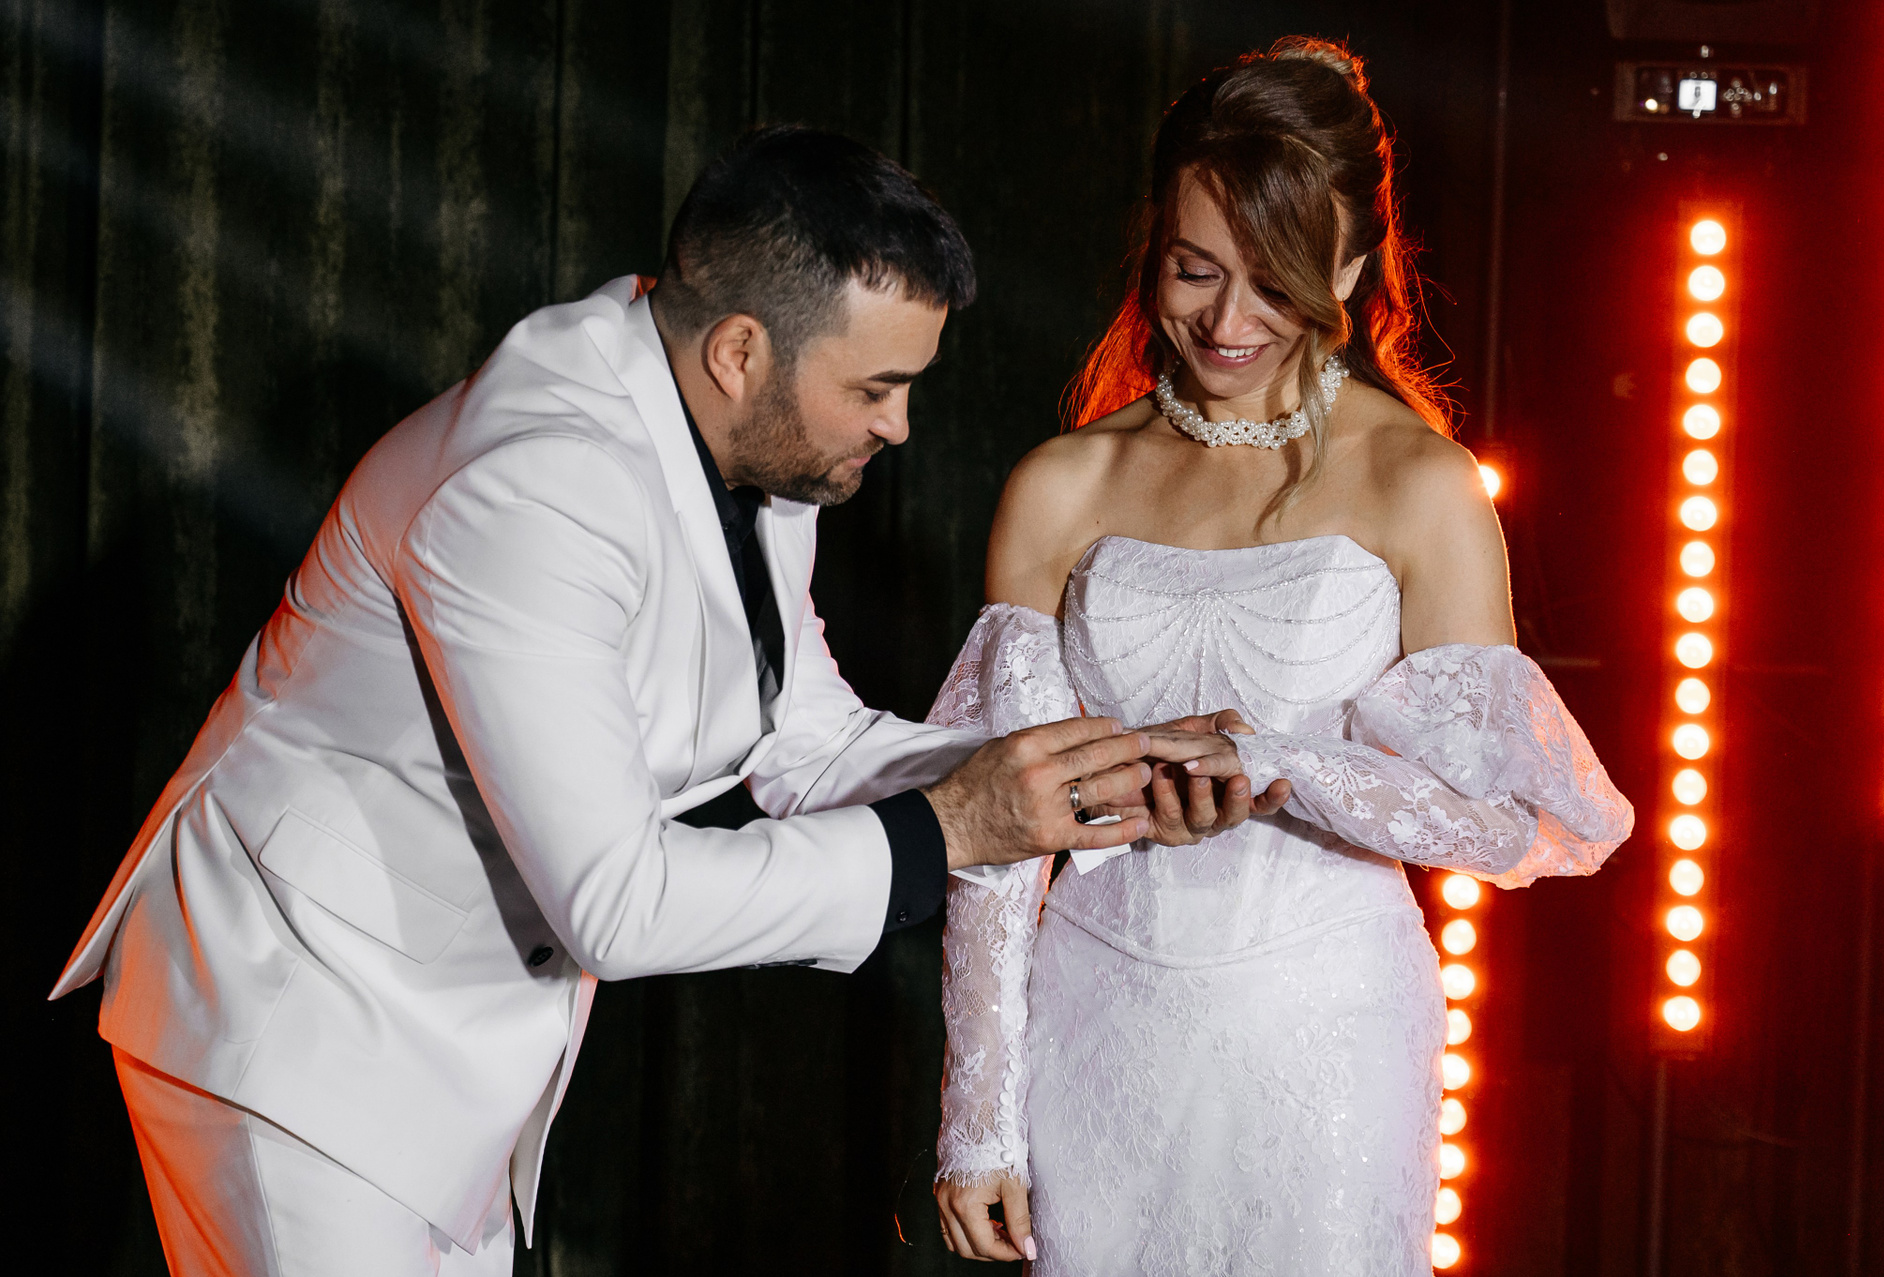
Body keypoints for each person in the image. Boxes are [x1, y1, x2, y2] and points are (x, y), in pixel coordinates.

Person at [49, 126, 1267, 1277]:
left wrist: (1081, 778)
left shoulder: (754, 439)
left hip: (440, 1040)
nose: (899, 425)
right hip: (296, 1025)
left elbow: (804, 736)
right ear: (740, 350)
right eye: (877, 387)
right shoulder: (534, 483)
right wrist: (949, 829)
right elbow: (617, 904)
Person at [930, 39, 1634, 1274]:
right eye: (1195, 269)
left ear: (1350, 268)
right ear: (1154, 247)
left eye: (1274, 280)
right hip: (1098, 1016)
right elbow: (996, 838)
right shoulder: (1062, 485)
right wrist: (976, 1121)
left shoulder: (1420, 483)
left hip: (1329, 1021)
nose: (1227, 320)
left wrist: (1286, 765)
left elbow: (1517, 819)